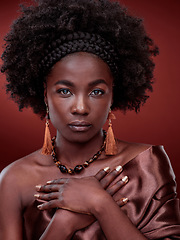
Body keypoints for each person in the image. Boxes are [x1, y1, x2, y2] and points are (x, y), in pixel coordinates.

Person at [0, 0, 180, 239]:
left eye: (96, 92)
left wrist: (100, 204)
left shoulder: (147, 165)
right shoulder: (14, 180)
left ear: (112, 95)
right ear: (45, 94)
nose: (81, 108)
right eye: (65, 91)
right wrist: (63, 223)